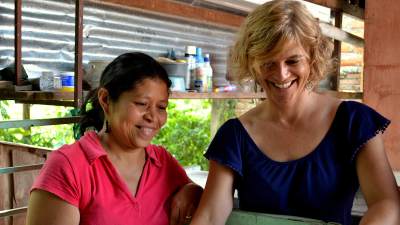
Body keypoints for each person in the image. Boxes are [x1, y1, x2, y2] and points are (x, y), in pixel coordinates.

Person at [190, 1, 400, 225]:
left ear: (312, 58)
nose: (281, 75)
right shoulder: (234, 136)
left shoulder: (354, 122)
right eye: (269, 63)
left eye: (293, 61)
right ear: (252, 64)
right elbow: (210, 216)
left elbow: (386, 204)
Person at [26, 52, 203, 225]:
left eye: (161, 107)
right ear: (105, 100)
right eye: (142, 104)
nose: (153, 117)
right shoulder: (69, 167)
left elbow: (199, 199)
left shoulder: (162, 163)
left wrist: (193, 190)